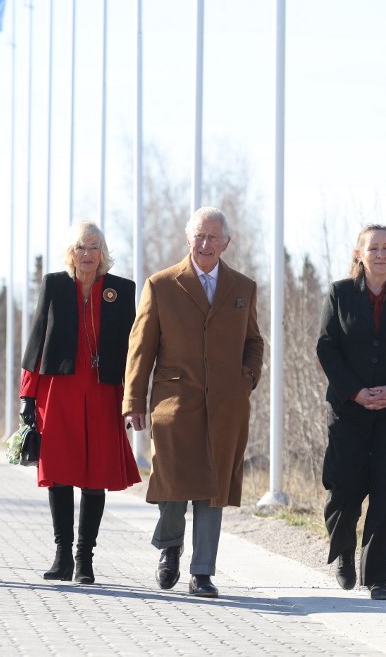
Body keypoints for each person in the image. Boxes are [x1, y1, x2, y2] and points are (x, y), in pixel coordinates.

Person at [124, 207, 264, 599]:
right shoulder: (161, 285)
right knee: (171, 483)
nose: (205, 244)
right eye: (199, 237)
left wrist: (247, 377)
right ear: (188, 239)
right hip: (174, 404)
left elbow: (254, 342)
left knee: (212, 488)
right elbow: (141, 348)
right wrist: (133, 400)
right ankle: (170, 549)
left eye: (213, 238)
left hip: (225, 406)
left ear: (226, 243)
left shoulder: (242, 287)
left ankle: (202, 572)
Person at [20, 221, 141, 584]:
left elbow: (134, 350)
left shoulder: (122, 289)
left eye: (94, 247)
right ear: (70, 253)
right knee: (58, 471)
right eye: (80, 247)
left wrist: (133, 397)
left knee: (95, 475)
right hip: (58, 392)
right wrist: (28, 394)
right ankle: (61, 556)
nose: (87, 254)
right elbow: (38, 338)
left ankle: (84, 559)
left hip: (105, 393)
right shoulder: (55, 285)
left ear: (103, 253)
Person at [316, 223, 386, 600]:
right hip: (349, 409)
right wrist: (356, 391)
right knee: (344, 486)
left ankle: (378, 576)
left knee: (385, 489)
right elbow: (327, 347)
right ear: (359, 254)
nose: (381, 254)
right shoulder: (340, 293)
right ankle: (344, 552)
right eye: (373, 248)